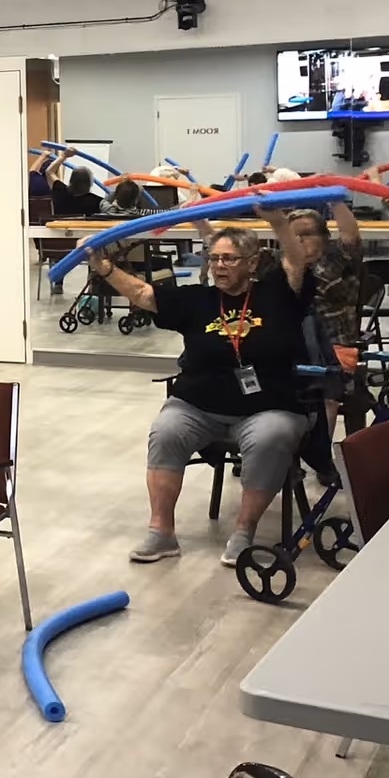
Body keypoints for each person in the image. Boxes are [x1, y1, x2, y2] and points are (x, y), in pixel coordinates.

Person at [88, 208, 313, 567]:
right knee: (166, 429)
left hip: (267, 407)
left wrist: (277, 222)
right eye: (214, 258)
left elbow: (296, 263)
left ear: (252, 263)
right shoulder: (199, 299)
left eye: (229, 259)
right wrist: (105, 269)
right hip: (197, 405)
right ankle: (162, 532)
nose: (219, 266)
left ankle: (243, 532)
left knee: (272, 435)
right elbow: (145, 295)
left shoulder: (278, 295)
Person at [285, 203, 365, 435]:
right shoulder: (283, 265)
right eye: (293, 235)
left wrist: (336, 200)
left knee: (325, 397)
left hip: (335, 346)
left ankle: (321, 459)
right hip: (292, 348)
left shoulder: (338, 260)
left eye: (307, 234)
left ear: (323, 236)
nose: (299, 240)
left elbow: (351, 237)